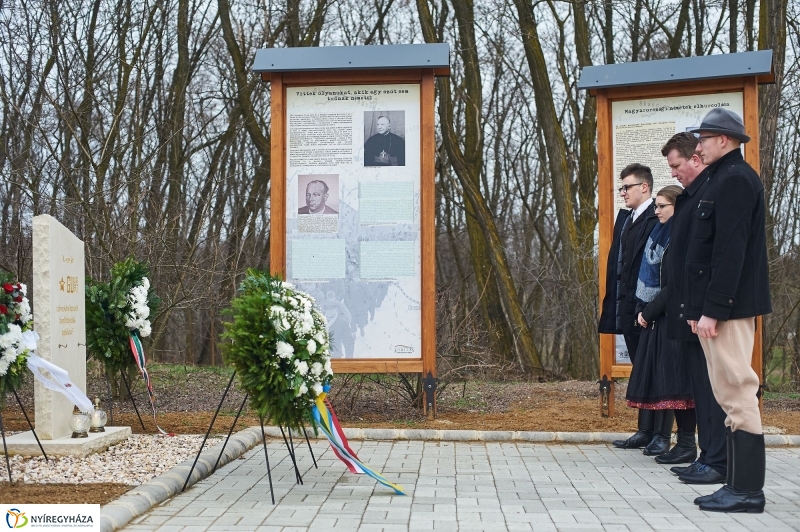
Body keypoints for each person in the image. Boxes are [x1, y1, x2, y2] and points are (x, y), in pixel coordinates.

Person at [683, 108, 771, 513]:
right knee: (728, 394)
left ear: (724, 140)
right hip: (719, 309)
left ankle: (748, 490)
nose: (697, 145)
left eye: (703, 138)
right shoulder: (722, 177)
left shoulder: (735, 179)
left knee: (738, 392)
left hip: (729, 310)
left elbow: (730, 252)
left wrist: (713, 310)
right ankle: (736, 485)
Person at [661, 132, 729, 483]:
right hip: (688, 312)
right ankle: (708, 455)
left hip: (702, 314)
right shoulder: (691, 195)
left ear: (695, 159)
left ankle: (716, 458)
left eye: (676, 165)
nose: (673, 173)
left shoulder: (710, 191)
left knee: (711, 388)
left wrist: (700, 310)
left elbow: (709, 258)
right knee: (700, 389)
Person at [625, 185, 690, 458]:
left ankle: (667, 437)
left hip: (670, 316)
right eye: (657, 206)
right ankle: (652, 434)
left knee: (670, 380)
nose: (657, 210)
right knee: (654, 377)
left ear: (677, 207)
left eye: (663, 206)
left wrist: (650, 311)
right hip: (653, 315)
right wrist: (643, 308)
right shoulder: (657, 231)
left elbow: (674, 283)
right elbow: (648, 275)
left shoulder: (679, 235)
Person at [598, 163, 660, 449]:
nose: (622, 192)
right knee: (641, 369)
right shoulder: (626, 218)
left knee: (654, 371)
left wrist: (645, 308)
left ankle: (660, 435)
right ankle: (645, 432)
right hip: (628, 308)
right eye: (621, 187)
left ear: (644, 187)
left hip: (648, 309)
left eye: (627, 187)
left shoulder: (656, 217)